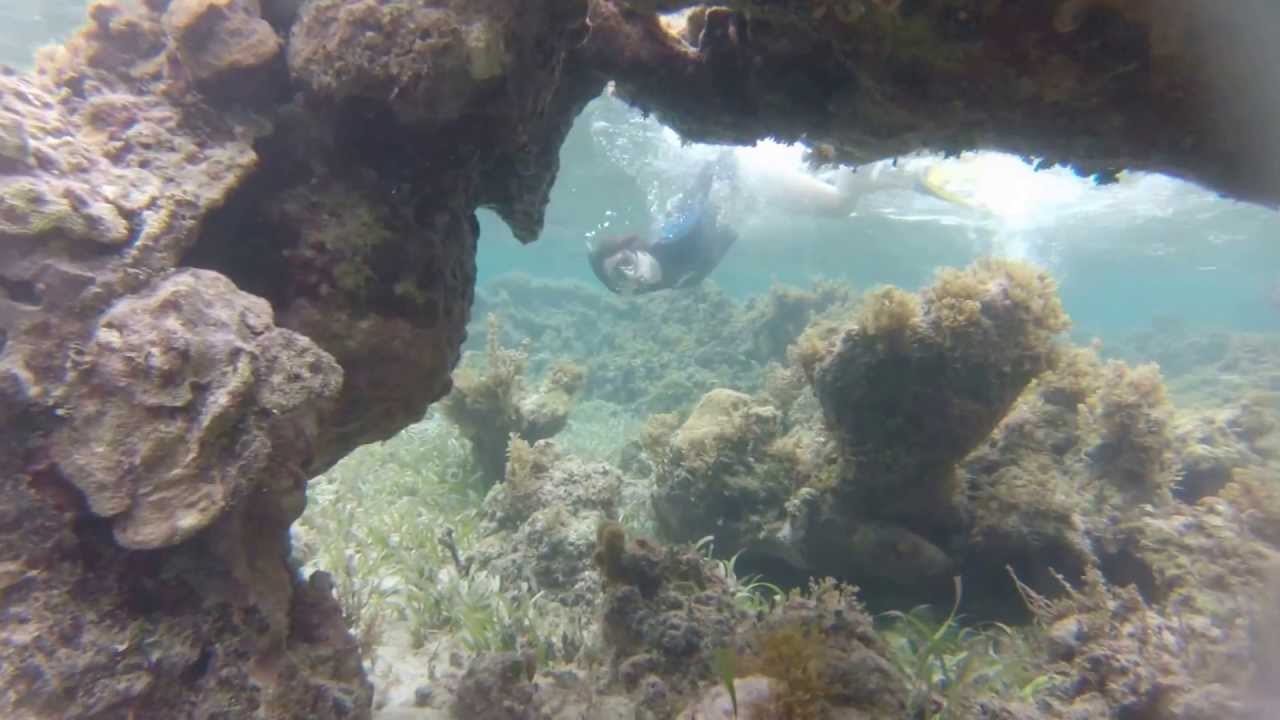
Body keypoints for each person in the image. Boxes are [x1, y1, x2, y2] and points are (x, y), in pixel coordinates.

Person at [588, 157, 738, 295]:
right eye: (619, 278)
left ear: (634, 249)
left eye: (625, 263)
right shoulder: (675, 284)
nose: (629, 276)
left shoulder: (676, 235)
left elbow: (707, 178)